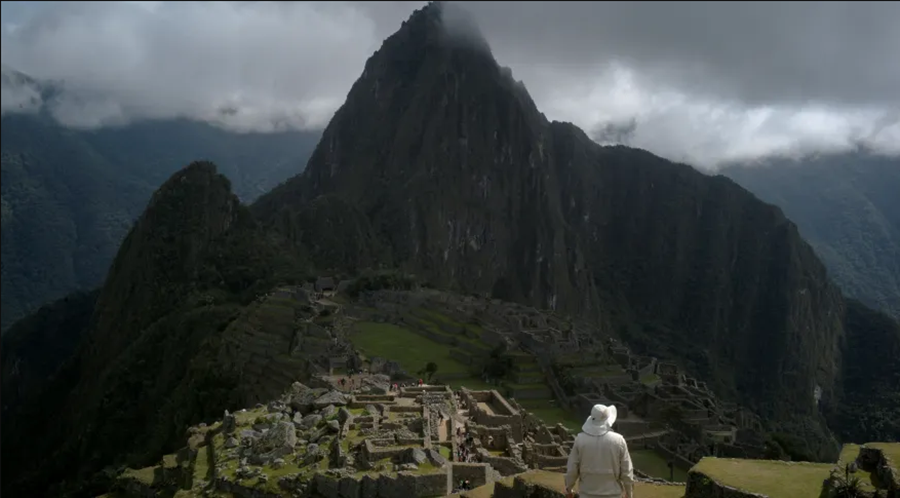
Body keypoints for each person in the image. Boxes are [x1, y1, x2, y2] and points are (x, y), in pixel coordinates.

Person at [564, 404, 634, 498]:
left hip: (587, 494)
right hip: (613, 494)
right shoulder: (618, 440)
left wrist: (568, 489)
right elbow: (627, 472)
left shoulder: (580, 439)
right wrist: (629, 494)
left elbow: (572, 469)